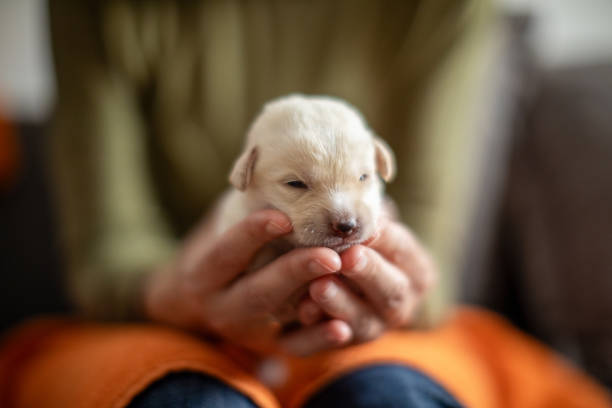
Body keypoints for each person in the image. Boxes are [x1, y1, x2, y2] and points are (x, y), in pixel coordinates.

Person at [0, 1, 608, 407]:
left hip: (385, 332)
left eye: (363, 179)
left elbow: (434, 259)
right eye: (298, 185)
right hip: (161, 324)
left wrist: (411, 287)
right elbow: (107, 256)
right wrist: (181, 291)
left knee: (390, 397)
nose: (343, 216)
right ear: (248, 176)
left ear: (379, 163)